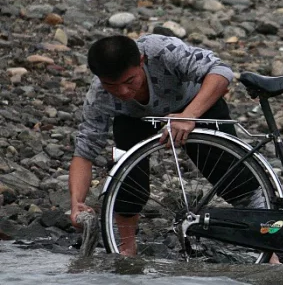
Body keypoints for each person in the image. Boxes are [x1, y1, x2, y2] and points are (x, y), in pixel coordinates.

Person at [69, 34, 262, 256]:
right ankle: (126, 248)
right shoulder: (100, 93)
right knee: (125, 177)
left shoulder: (162, 51)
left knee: (233, 177)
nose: (122, 92)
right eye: (112, 85)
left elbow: (221, 71)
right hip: (136, 119)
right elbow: (84, 152)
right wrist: (76, 203)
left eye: (130, 81)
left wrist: (189, 115)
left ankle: (271, 249)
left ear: (142, 61)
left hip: (195, 105)